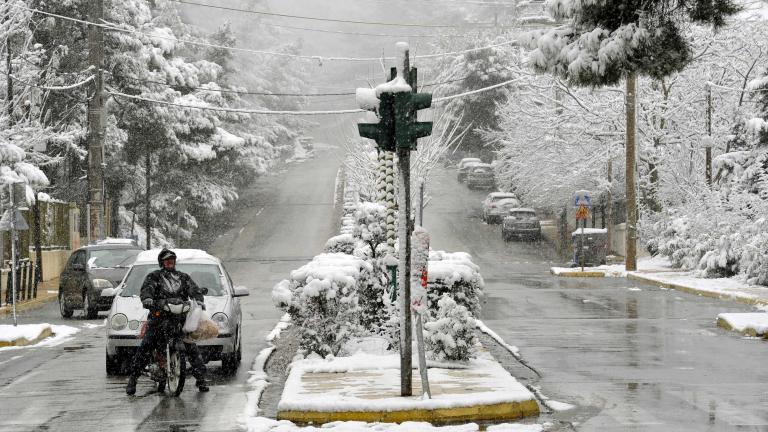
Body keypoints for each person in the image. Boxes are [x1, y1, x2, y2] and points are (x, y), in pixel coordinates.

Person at [126, 248, 209, 395]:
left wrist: (199, 300)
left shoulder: (183, 277)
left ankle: (201, 378)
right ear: (161, 263)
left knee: (191, 347)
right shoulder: (154, 277)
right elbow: (147, 290)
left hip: (180, 321)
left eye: (172, 260)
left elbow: (194, 290)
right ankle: (133, 378)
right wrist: (148, 299)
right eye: (167, 260)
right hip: (159, 319)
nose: (170, 262)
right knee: (146, 345)